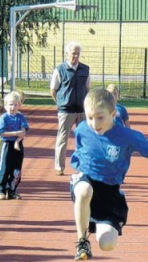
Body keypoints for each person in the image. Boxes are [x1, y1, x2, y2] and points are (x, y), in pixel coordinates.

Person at [70, 88, 148, 261]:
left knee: (107, 244)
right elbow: (81, 150)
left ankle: (95, 221)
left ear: (113, 114)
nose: (94, 124)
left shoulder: (127, 136)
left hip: (109, 193)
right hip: (86, 180)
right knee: (83, 191)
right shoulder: (82, 129)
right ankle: (82, 240)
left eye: (100, 117)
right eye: (90, 118)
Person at [50, 41, 90, 176]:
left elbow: (88, 88)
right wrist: (61, 103)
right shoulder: (59, 69)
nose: (76, 56)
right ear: (67, 54)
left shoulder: (85, 69)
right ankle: (59, 167)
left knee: (83, 138)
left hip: (82, 110)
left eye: (78, 54)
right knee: (62, 138)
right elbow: (53, 90)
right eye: (73, 53)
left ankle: (82, 166)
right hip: (66, 111)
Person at [0, 91, 29, 200]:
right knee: (4, 167)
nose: (12, 107)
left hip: (17, 145)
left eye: (15, 104)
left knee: (16, 168)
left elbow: (23, 132)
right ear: (5, 105)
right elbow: (1, 132)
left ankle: (12, 190)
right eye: (10, 104)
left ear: (19, 105)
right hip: (6, 144)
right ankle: (0, 189)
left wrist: (17, 140)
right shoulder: (4, 118)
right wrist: (15, 134)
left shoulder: (21, 117)